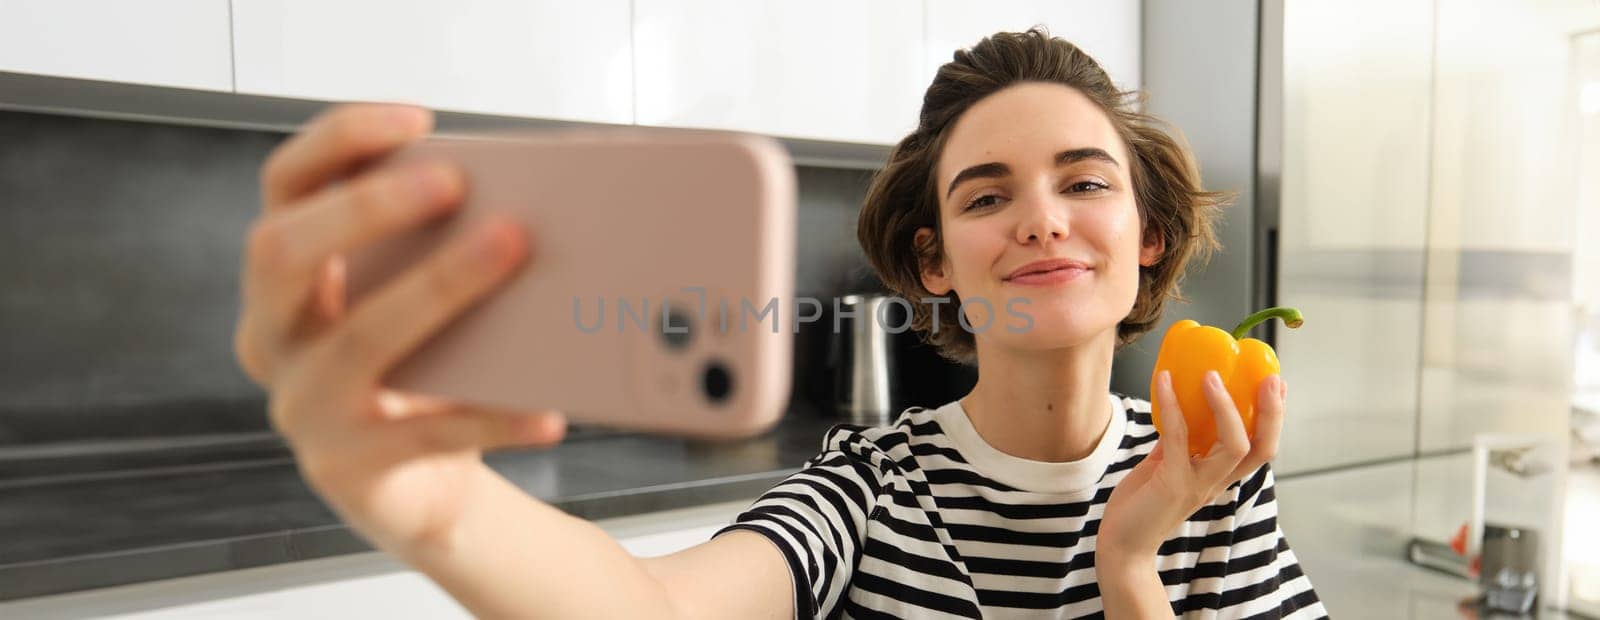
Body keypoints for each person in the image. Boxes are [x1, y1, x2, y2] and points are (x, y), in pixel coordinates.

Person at [234, 29, 1327, 618]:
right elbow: (655, 608)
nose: (1040, 219)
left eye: (1083, 182)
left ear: (1146, 232)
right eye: (987, 196)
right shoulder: (869, 487)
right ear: (933, 262)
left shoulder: (1209, 471)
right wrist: (436, 509)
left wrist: (1130, 564)